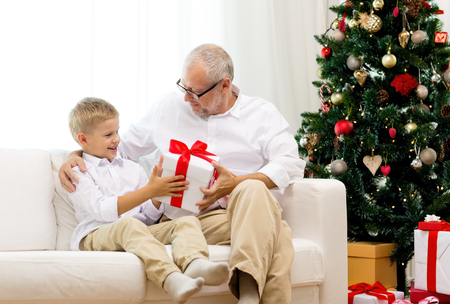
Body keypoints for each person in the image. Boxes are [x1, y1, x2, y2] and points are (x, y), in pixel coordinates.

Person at [60, 44, 305, 304]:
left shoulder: (261, 114)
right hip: (183, 219)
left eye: (196, 93)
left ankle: (248, 291)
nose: (187, 99)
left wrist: (236, 183)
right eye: (184, 87)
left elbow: (290, 162)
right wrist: (75, 156)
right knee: (278, 229)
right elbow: (119, 150)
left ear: (224, 85)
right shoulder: (169, 107)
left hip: (239, 211)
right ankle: (249, 295)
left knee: (253, 189)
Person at [67, 97, 231, 304]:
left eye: (117, 131)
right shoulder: (77, 172)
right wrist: (147, 191)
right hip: (95, 235)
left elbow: (148, 218)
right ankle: (170, 278)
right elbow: (102, 210)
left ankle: (195, 262)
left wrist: (156, 196)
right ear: (83, 140)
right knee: (127, 224)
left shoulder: (131, 168)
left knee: (185, 222)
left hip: (136, 230)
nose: (117, 139)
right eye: (108, 134)